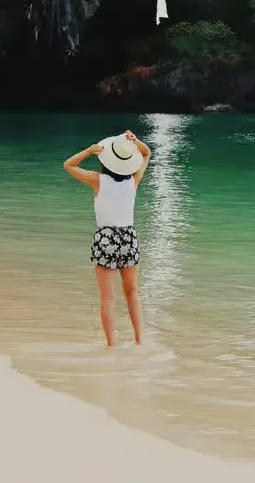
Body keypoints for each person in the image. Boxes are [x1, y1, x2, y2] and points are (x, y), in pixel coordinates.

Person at [63, 130, 151, 347]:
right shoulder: (134, 180)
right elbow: (147, 154)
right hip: (128, 236)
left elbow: (68, 165)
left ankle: (112, 344)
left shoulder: (97, 180)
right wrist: (135, 142)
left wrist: (88, 151)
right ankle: (139, 341)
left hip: (106, 237)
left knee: (107, 297)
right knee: (132, 293)